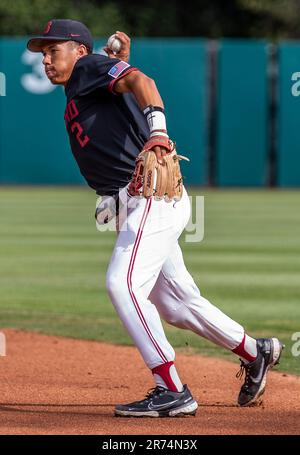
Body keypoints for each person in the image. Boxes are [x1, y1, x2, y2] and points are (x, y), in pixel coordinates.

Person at [27, 19, 284, 418]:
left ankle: (172, 390)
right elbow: (122, 92)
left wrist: (158, 132)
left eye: (52, 49)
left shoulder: (88, 67)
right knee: (178, 305)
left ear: (79, 50)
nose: (45, 59)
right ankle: (257, 352)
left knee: (122, 283)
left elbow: (141, 81)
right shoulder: (87, 78)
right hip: (133, 201)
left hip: (148, 197)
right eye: (42, 53)